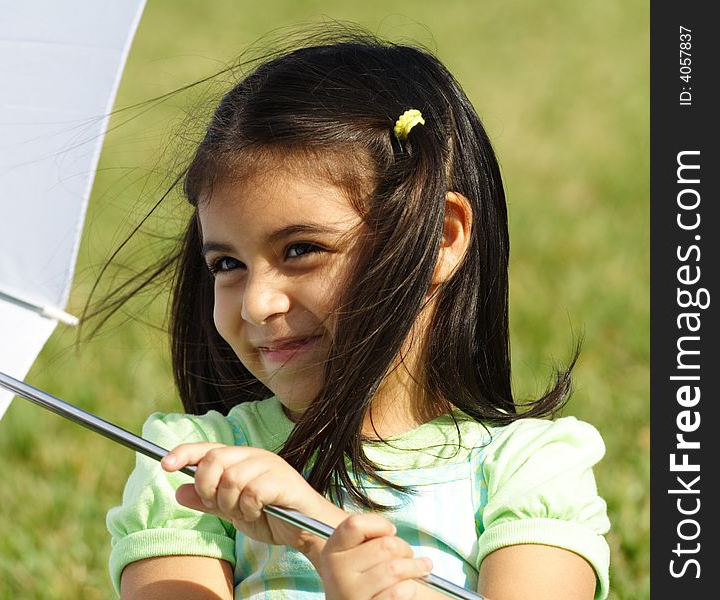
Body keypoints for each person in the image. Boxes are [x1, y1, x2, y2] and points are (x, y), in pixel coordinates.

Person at [104, 30, 610, 600]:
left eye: (300, 250)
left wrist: (323, 537)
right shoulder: (193, 470)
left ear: (439, 240)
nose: (255, 302)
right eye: (227, 263)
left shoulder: (529, 470)